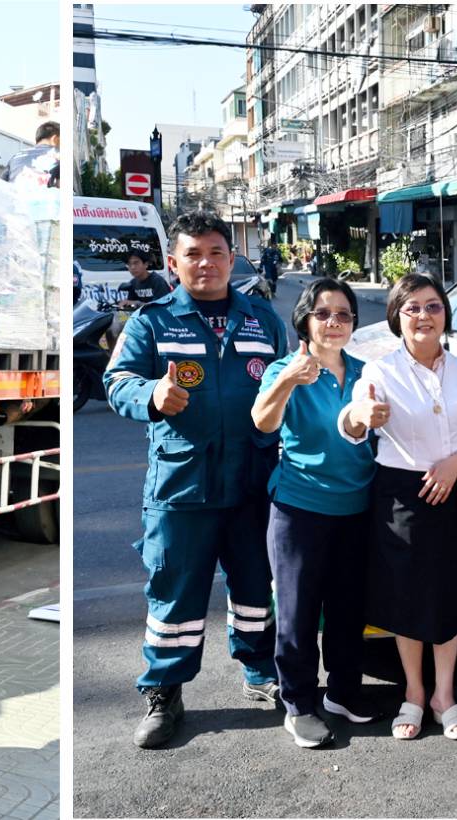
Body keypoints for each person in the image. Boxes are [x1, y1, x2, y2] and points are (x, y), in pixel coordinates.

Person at [110, 211, 290, 749]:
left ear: (232, 260)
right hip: (182, 485)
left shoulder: (262, 319)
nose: (206, 263)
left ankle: (261, 671)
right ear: (173, 263)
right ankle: (164, 691)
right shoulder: (152, 322)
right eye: (193, 254)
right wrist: (151, 394)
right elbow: (117, 381)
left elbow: (287, 384)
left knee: (256, 586)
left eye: (216, 253)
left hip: (254, 481)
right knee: (174, 593)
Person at [356, 273, 457, 741]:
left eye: (433, 306)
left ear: (445, 314)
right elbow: (356, 420)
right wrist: (361, 417)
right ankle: (414, 693)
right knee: (407, 596)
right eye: (412, 307)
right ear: (396, 316)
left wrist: (456, 463)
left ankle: (445, 695)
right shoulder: (380, 371)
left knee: (448, 594)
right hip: (402, 495)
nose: (423, 315)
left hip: (453, 489)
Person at [247, 279, 377, 748]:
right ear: (305, 321)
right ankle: (299, 704)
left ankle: (343, 691)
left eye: (343, 314)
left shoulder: (365, 371)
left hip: (357, 506)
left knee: (348, 609)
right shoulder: (287, 369)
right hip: (300, 508)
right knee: (298, 612)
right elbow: (262, 423)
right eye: (323, 314)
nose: (334, 322)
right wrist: (287, 380)